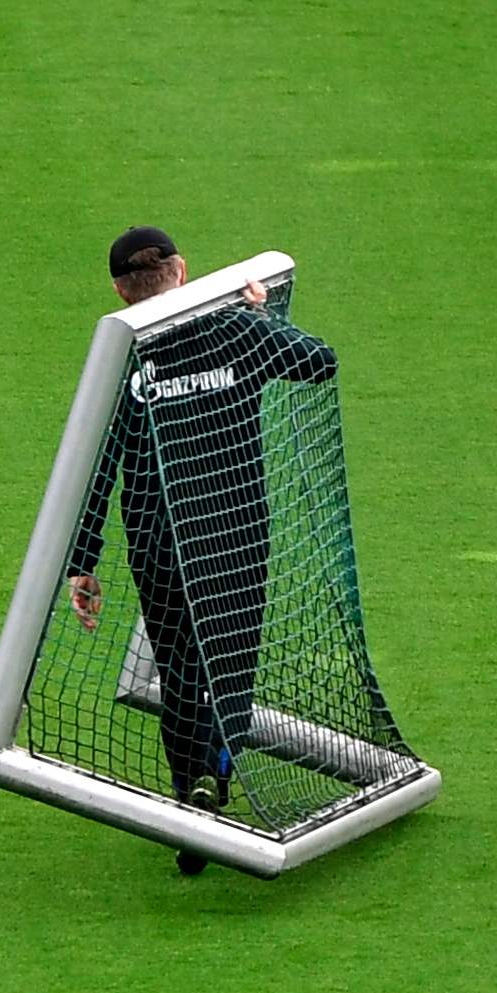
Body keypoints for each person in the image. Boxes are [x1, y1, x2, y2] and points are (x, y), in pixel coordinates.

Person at [62, 227, 340, 869]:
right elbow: (318, 361)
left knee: (181, 672)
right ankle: (218, 769)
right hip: (235, 532)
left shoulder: (124, 358)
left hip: (157, 540)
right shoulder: (236, 329)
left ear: (119, 291)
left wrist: (82, 561)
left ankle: (188, 801)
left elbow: (99, 462)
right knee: (230, 665)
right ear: (182, 271)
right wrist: (260, 315)